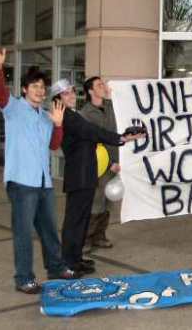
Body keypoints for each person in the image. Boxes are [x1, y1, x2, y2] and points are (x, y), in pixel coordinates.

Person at [0, 46, 80, 294]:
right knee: (23, 233)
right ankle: (24, 277)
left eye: (42, 87)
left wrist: (58, 125)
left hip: (43, 183)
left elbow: (54, 145)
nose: (39, 90)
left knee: (49, 229)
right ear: (25, 89)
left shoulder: (45, 117)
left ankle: (56, 267)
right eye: (34, 86)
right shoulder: (14, 107)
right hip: (21, 182)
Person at [51, 79, 145, 275]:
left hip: (86, 173)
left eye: (71, 92)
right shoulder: (67, 116)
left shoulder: (72, 114)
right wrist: (122, 138)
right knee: (74, 221)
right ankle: (68, 262)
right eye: (65, 94)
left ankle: (75, 259)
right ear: (57, 99)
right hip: (79, 175)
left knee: (82, 219)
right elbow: (93, 131)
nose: (71, 96)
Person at [80, 76, 119, 251]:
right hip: (100, 165)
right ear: (90, 91)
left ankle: (100, 235)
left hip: (115, 163)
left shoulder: (113, 107)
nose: (103, 86)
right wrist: (110, 162)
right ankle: (87, 238)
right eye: (99, 85)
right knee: (96, 201)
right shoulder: (86, 114)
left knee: (109, 201)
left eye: (103, 84)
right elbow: (92, 142)